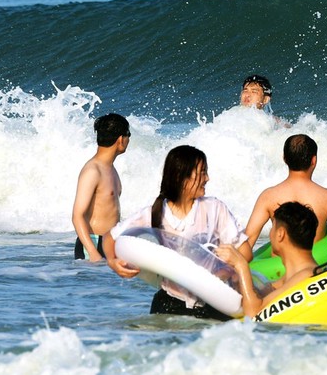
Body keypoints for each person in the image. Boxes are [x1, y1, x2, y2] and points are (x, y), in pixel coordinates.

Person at [102, 145, 249, 320]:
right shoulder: (153, 213)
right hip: (169, 303)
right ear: (181, 177)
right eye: (202, 172)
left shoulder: (214, 208)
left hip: (214, 302)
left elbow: (245, 252)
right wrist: (113, 262)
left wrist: (223, 264)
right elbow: (110, 238)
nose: (207, 178)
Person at [240, 134, 327, 259]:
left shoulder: (267, 196)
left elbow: (247, 241)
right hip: (315, 267)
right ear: (314, 160)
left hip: (279, 274)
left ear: (284, 158)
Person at [218, 201, 319, 317]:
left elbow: (253, 314)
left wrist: (241, 265)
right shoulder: (292, 277)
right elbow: (268, 291)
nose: (271, 234)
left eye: (273, 228)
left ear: (280, 234)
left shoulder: (307, 276)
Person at [72, 113, 131, 262]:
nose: (128, 139)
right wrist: (93, 253)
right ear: (120, 139)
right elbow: (77, 215)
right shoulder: (93, 171)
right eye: (128, 134)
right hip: (93, 244)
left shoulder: (110, 169)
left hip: (109, 244)